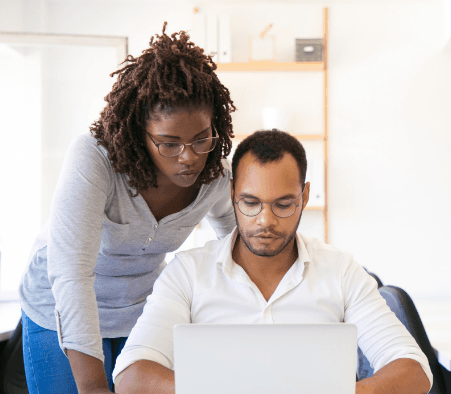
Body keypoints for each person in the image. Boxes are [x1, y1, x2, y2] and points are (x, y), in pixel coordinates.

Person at [112, 129, 433, 394]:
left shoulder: (341, 270)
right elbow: (131, 375)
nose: (265, 220)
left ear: (304, 197)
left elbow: (413, 369)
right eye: (251, 202)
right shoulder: (188, 272)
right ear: (233, 192)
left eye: (283, 204)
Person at [18, 23, 237, 394]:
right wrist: (92, 386)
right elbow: (71, 274)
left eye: (201, 139)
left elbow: (239, 252)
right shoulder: (94, 160)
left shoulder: (215, 175)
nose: (189, 158)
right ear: (140, 133)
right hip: (58, 309)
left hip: (141, 310)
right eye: (169, 143)